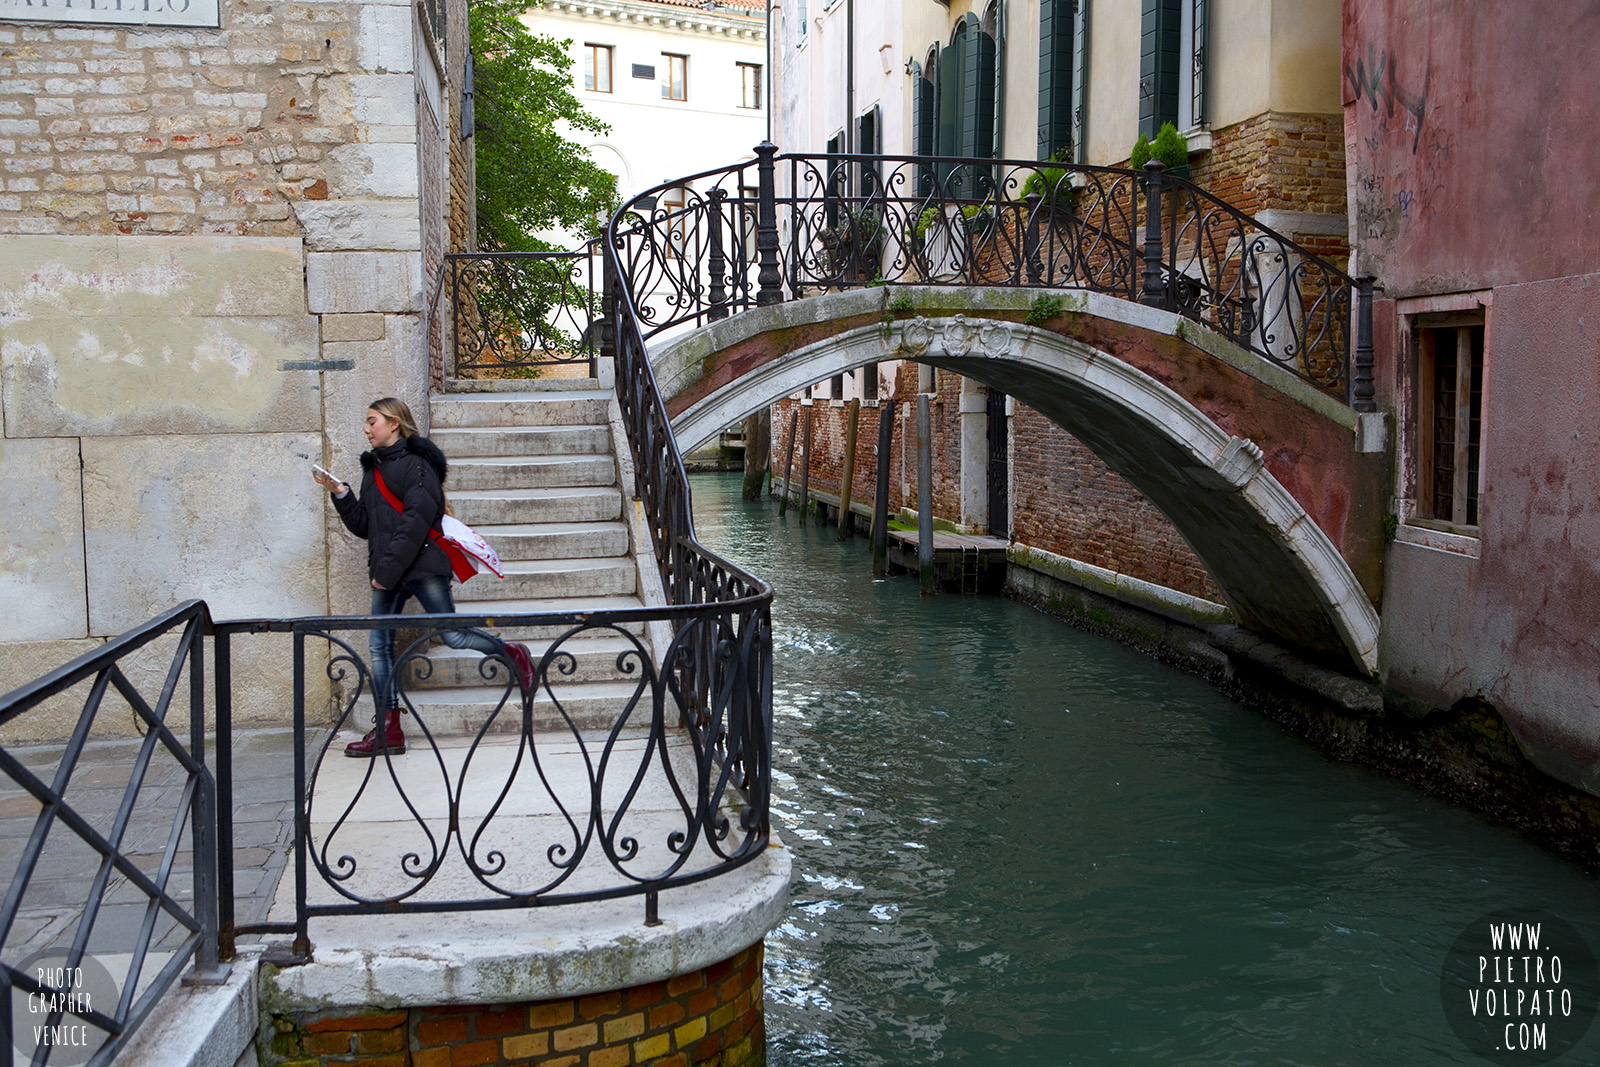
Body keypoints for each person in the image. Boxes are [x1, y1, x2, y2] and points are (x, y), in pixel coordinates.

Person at [314, 397, 536, 757]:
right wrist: (342, 494)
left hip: (421, 566)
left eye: (372, 421)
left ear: (394, 423)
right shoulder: (373, 470)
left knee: (452, 634)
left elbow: (415, 524)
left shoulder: (419, 466)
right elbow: (366, 527)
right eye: (366, 423)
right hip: (388, 570)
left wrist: (384, 574)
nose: (366, 429)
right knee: (379, 647)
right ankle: (388, 730)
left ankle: (511, 653)